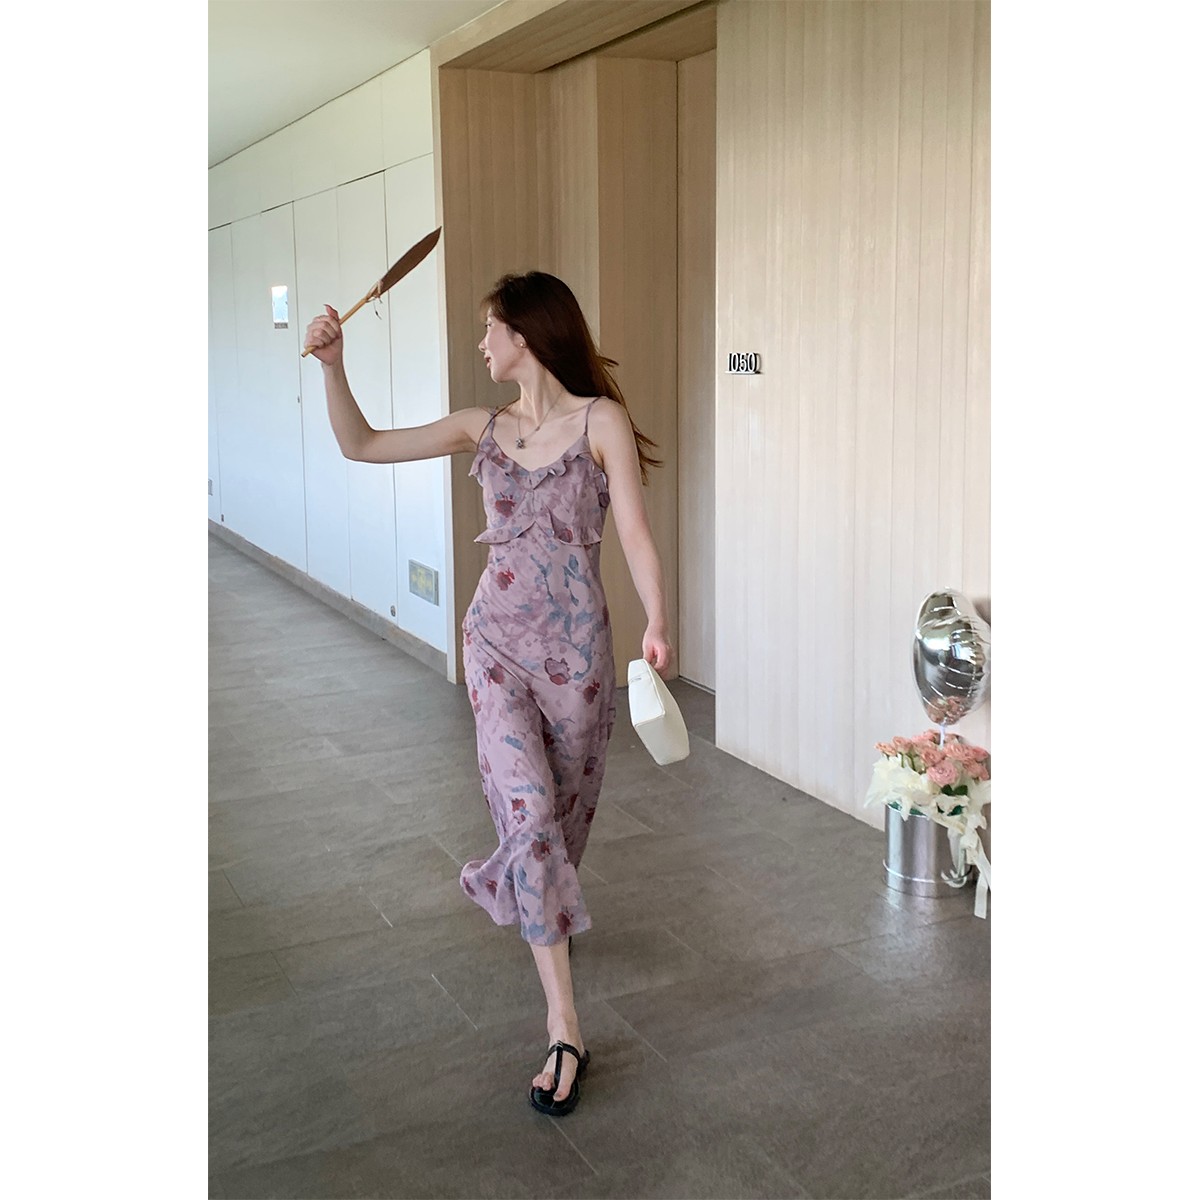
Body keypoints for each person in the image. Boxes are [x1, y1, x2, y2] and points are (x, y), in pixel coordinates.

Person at [303, 270, 672, 1116]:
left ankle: (542, 905)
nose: (482, 344)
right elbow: (363, 444)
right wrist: (332, 366)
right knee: (530, 818)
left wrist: (658, 618)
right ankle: (564, 1024)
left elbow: (635, 533)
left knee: (561, 828)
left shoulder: (601, 423)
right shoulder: (483, 427)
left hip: (578, 660)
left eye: (489, 329)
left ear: (525, 335)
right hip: (496, 648)